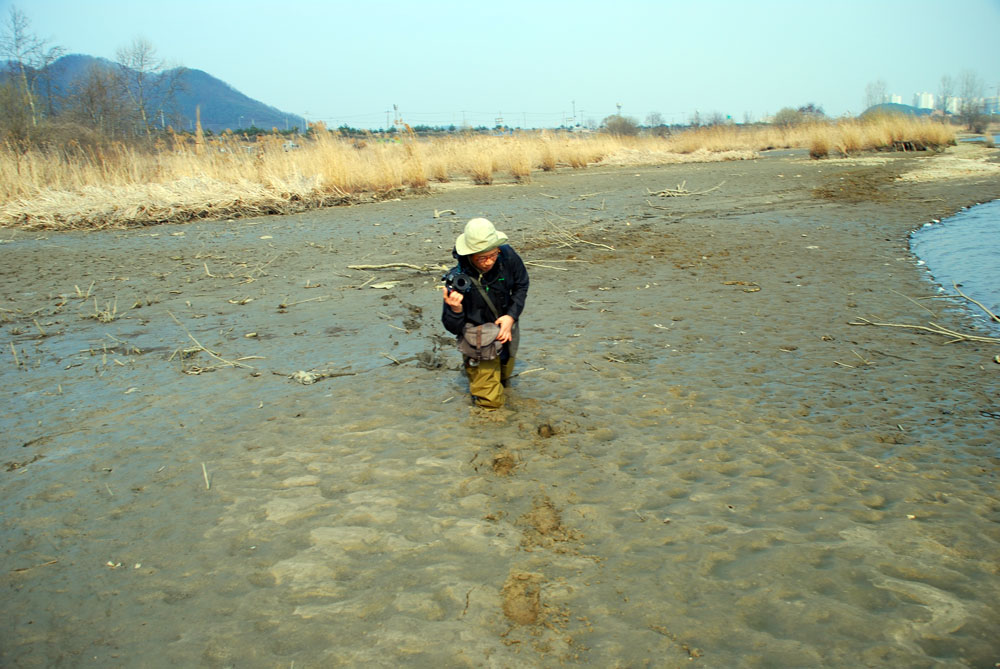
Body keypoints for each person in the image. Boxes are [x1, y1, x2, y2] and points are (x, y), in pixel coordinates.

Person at [441, 218, 529, 409]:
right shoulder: (457, 281)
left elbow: (522, 285)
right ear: (470, 255)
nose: (488, 262)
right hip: (479, 340)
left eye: (492, 255)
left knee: (504, 375)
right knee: (490, 402)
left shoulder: (508, 256)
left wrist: (511, 316)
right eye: (482, 258)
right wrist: (455, 310)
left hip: (507, 329)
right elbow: (452, 327)